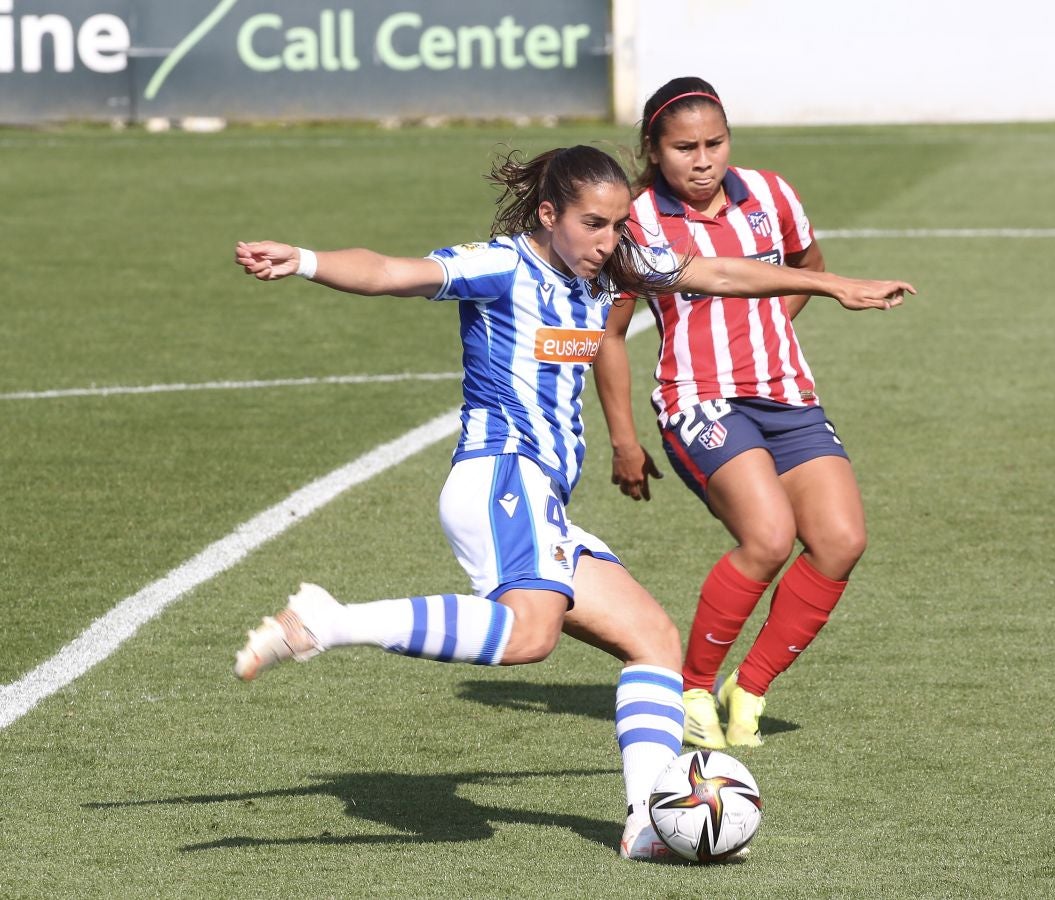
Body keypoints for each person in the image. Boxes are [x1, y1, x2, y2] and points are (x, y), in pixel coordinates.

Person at [231, 144, 915, 860]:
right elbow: (393, 272)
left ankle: (647, 819)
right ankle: (327, 621)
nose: (609, 241)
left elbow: (712, 270)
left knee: (650, 639)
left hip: (540, 501)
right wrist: (305, 260)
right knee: (530, 637)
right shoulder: (501, 266)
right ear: (549, 213)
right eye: (593, 224)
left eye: (618, 226)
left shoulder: (612, 266)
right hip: (500, 477)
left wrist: (830, 284)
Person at [594, 78, 914, 750]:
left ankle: (751, 685)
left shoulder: (771, 194)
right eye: (684, 147)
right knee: (767, 537)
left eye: (714, 143)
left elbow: (804, 266)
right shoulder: (636, 220)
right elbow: (610, 334)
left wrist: (760, 336)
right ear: (653, 149)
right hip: (697, 400)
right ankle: (690, 689)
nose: (702, 159)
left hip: (787, 394)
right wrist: (624, 441)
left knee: (839, 541)